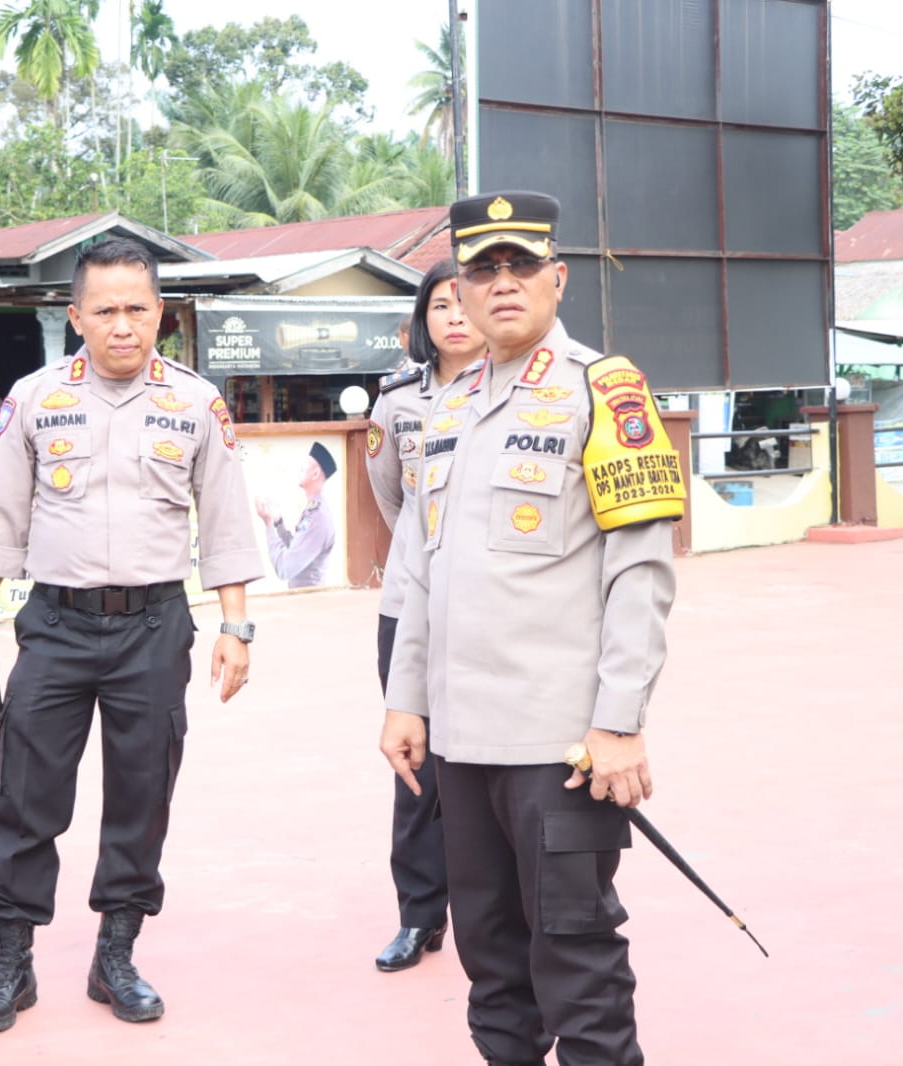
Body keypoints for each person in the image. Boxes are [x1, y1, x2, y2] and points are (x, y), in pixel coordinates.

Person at [381, 191, 686, 1066]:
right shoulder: (444, 406)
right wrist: (405, 701)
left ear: (556, 278)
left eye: (520, 267)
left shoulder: (604, 389)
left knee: (577, 963)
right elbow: (417, 570)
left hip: (562, 747)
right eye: (483, 270)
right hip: (461, 745)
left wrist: (619, 720)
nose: (502, 284)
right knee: (491, 967)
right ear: (461, 292)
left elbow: (640, 572)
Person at [0, 237, 262, 1034]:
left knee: (140, 795)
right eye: (105, 311)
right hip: (54, 625)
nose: (122, 326)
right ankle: (10, 963)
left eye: (137, 309)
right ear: (76, 317)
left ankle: (115, 954)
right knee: (26, 794)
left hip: (156, 626)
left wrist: (235, 625)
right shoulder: (34, 397)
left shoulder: (195, 402)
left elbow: (224, 523)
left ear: (159, 312)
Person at [364, 258, 486, 971]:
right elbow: (393, 502)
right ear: (423, 320)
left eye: (460, 302)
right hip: (410, 607)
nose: (453, 317)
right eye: (438, 305)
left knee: (485, 763)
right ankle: (418, 913)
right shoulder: (396, 401)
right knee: (414, 766)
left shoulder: (513, 395)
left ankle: (484, 906)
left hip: (488, 606)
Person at [256, 441, 336, 588]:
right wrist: (278, 522)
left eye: (305, 465)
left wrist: (268, 525)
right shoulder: (313, 512)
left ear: (315, 473)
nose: (300, 468)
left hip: (310, 603)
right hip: (304, 601)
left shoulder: (318, 518)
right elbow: (296, 547)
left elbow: (285, 568)